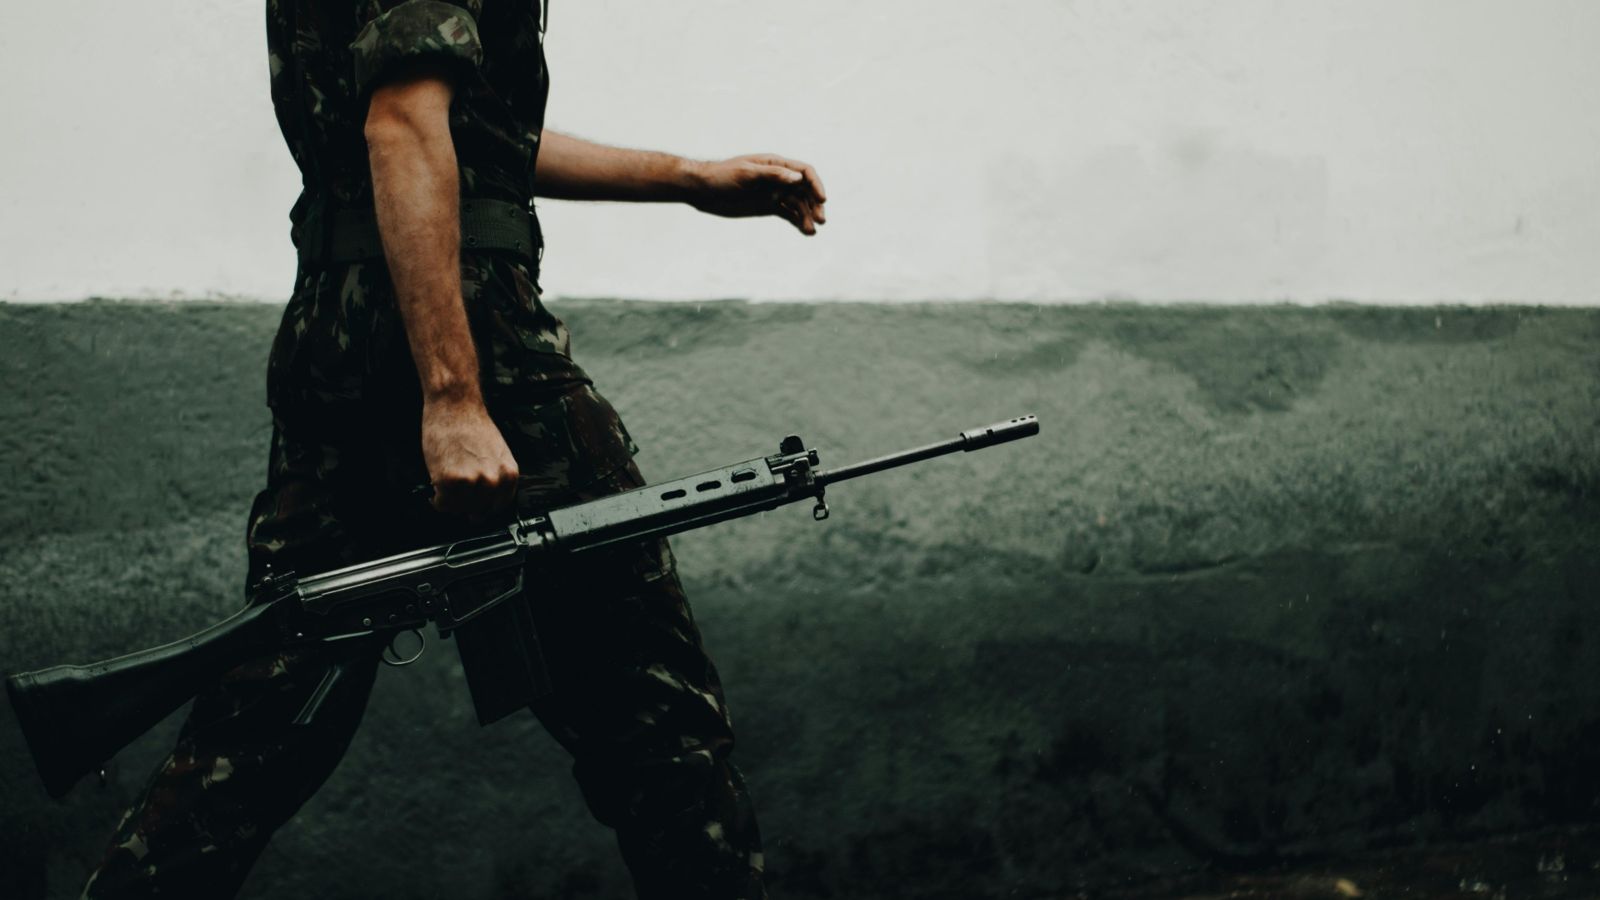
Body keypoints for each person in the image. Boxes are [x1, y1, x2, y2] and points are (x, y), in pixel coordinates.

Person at [80, 1, 825, 897]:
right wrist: (453, 397)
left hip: (342, 346)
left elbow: (468, 131)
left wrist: (688, 178)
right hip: (473, 347)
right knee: (661, 736)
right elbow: (402, 126)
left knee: (256, 733)